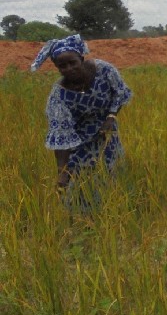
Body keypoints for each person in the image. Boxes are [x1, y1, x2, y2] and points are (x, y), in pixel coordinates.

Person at [31, 34, 133, 210]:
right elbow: (61, 136)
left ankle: (115, 212)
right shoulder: (59, 97)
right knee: (79, 182)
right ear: (57, 68)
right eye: (62, 66)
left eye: (72, 63)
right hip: (79, 141)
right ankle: (81, 220)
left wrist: (111, 116)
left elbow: (119, 93)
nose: (69, 68)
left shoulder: (104, 70)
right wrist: (62, 172)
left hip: (107, 133)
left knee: (112, 172)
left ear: (81, 58)